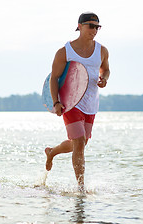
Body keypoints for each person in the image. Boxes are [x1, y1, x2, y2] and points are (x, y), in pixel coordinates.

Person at [45, 12, 110, 191]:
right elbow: (54, 78)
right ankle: (81, 188)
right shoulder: (65, 51)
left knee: (78, 144)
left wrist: (104, 78)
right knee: (79, 141)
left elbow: (106, 69)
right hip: (71, 103)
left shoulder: (102, 50)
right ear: (79, 26)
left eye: (97, 26)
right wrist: (56, 102)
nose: (94, 30)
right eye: (91, 26)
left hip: (91, 103)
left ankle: (52, 152)